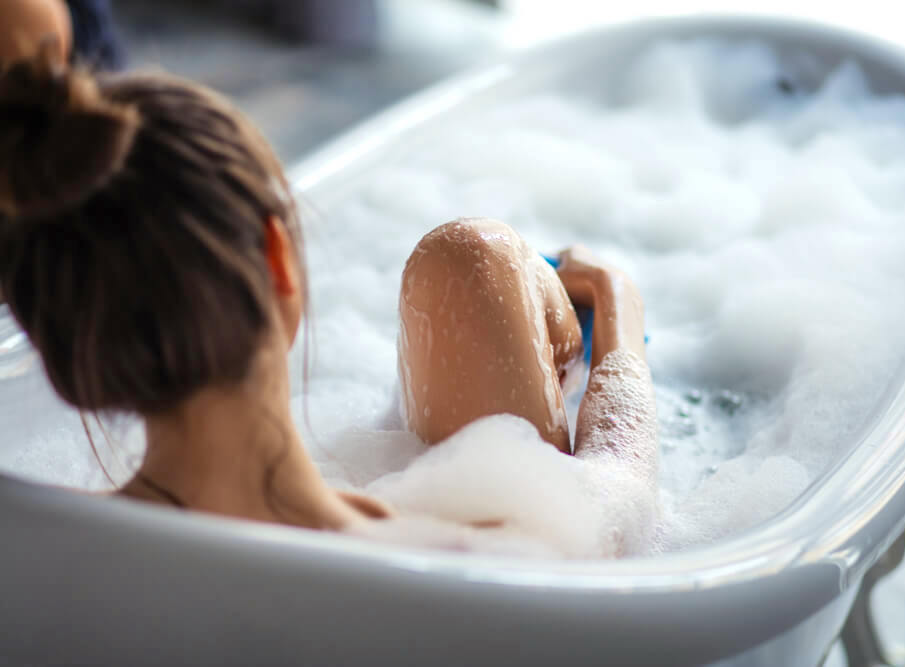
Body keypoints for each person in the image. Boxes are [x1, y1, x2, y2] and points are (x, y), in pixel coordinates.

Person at [0, 50, 657, 554]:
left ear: (63, 357)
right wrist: (614, 298)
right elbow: (614, 507)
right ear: (277, 257)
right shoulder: (460, 555)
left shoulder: (36, 550)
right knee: (477, 257)